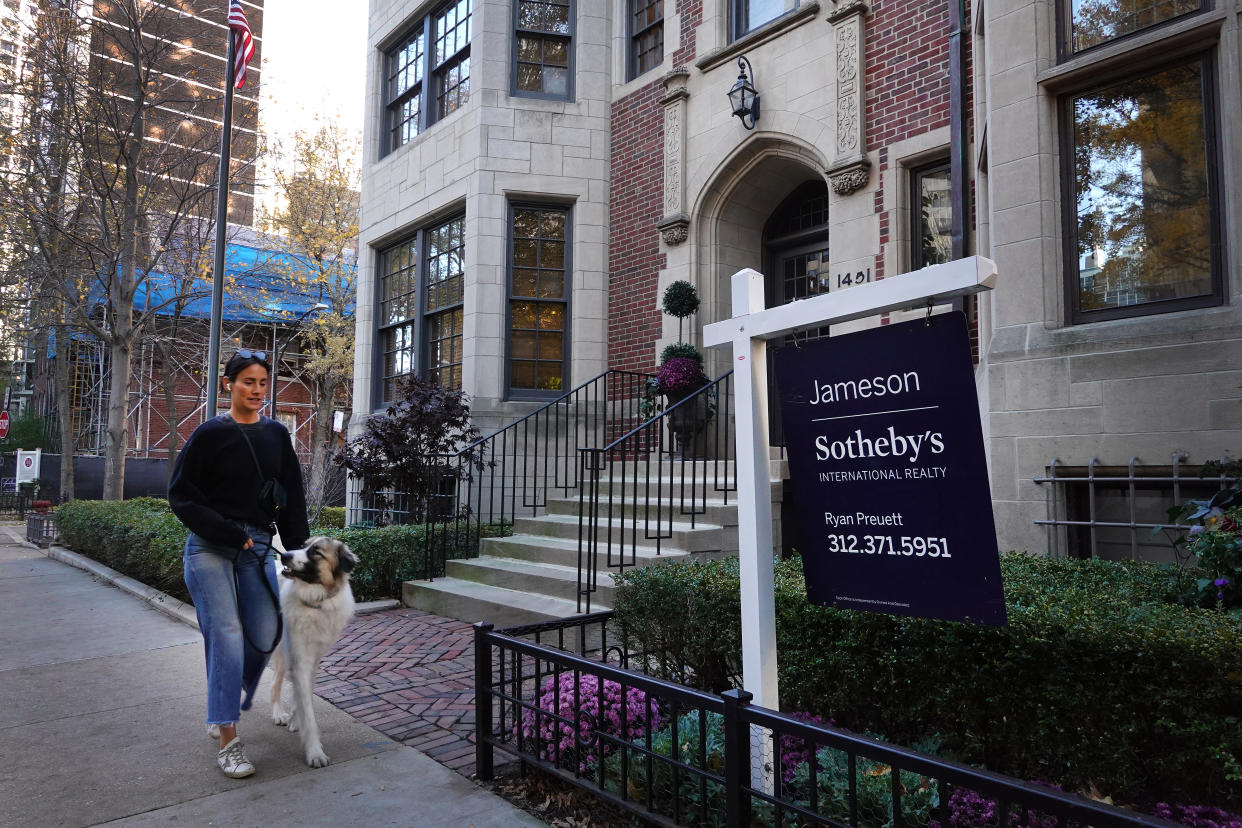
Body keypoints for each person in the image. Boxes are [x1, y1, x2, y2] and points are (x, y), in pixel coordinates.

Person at [168, 349, 309, 778]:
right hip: (210, 547)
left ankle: (222, 701)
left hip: (259, 547)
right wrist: (228, 531)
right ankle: (228, 735)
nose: (256, 390)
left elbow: (291, 498)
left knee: (266, 633)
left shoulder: (275, 436)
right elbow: (181, 495)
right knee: (227, 634)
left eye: (263, 383)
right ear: (229, 384)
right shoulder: (209, 434)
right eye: (248, 381)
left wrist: (298, 553)